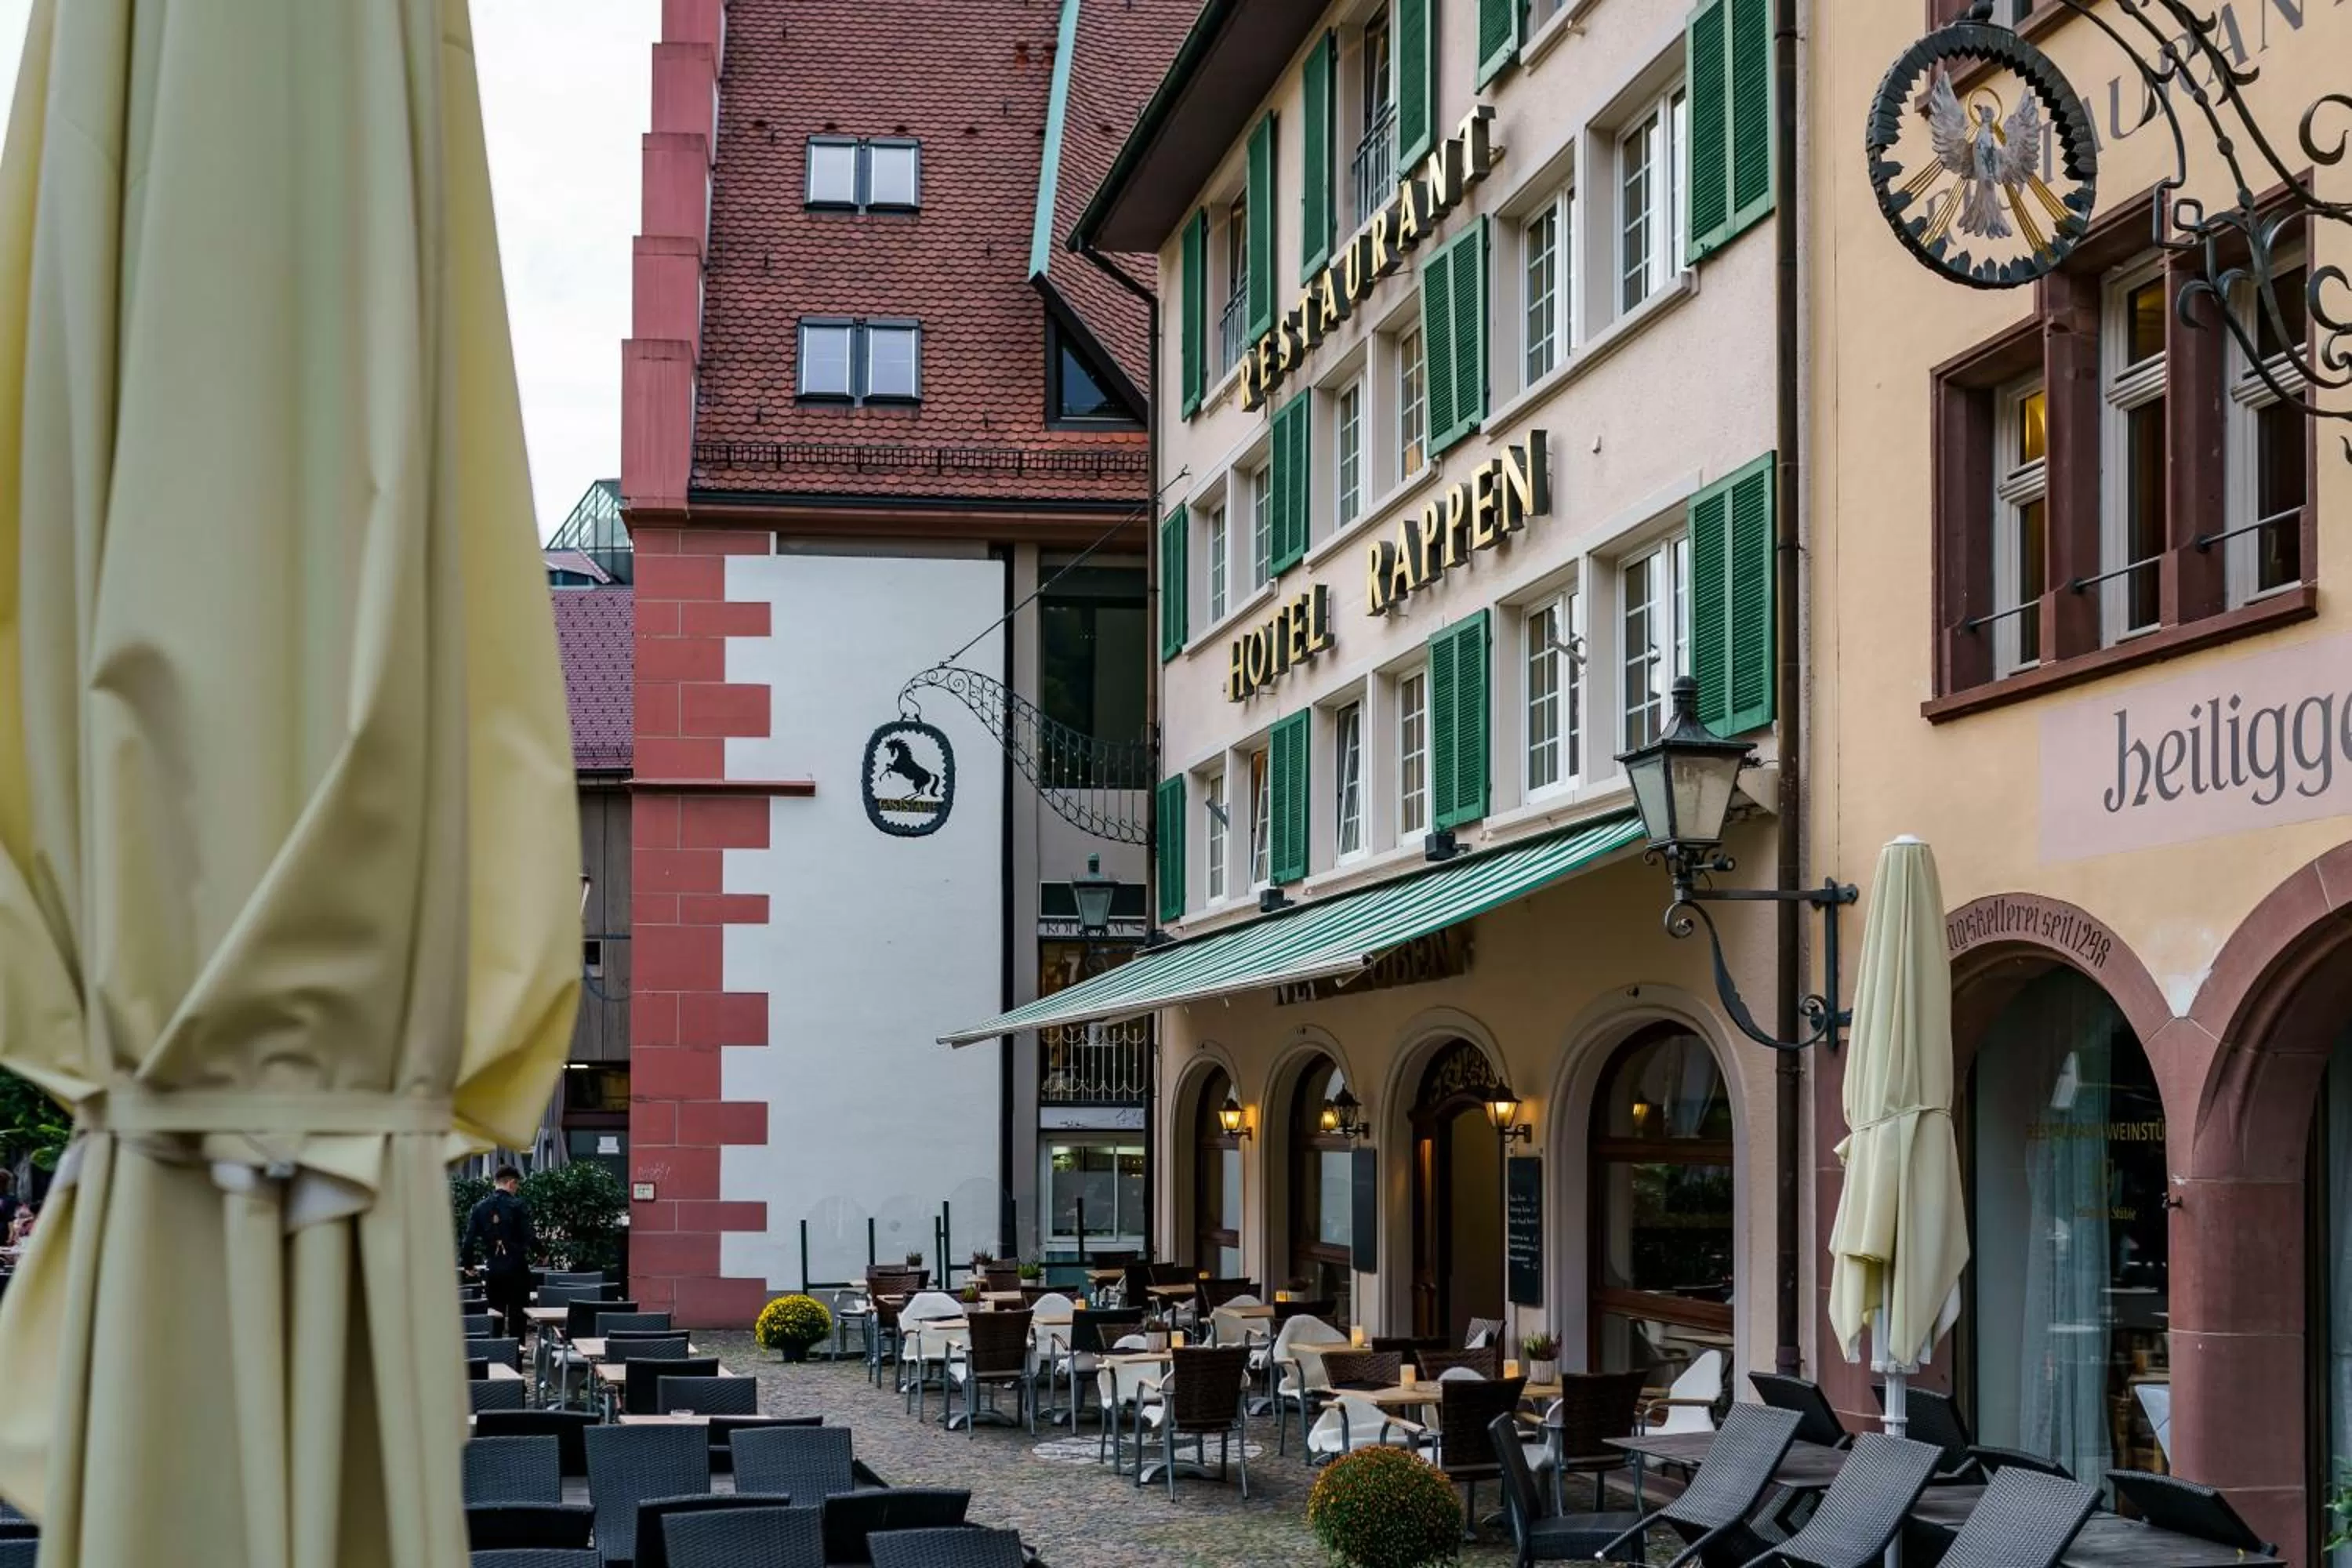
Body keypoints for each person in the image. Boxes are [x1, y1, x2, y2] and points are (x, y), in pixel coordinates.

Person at [462, 1166, 535, 1341]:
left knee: (495, 1315)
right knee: (518, 1318)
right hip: (518, 1269)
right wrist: (543, 1254)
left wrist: (468, 1264)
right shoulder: (519, 1205)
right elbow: (529, 1235)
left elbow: (468, 1240)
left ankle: (496, 1357)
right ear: (511, 1183)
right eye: (516, 1186)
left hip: (494, 1269)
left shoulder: (479, 1207)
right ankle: (516, 1361)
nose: (516, 1190)